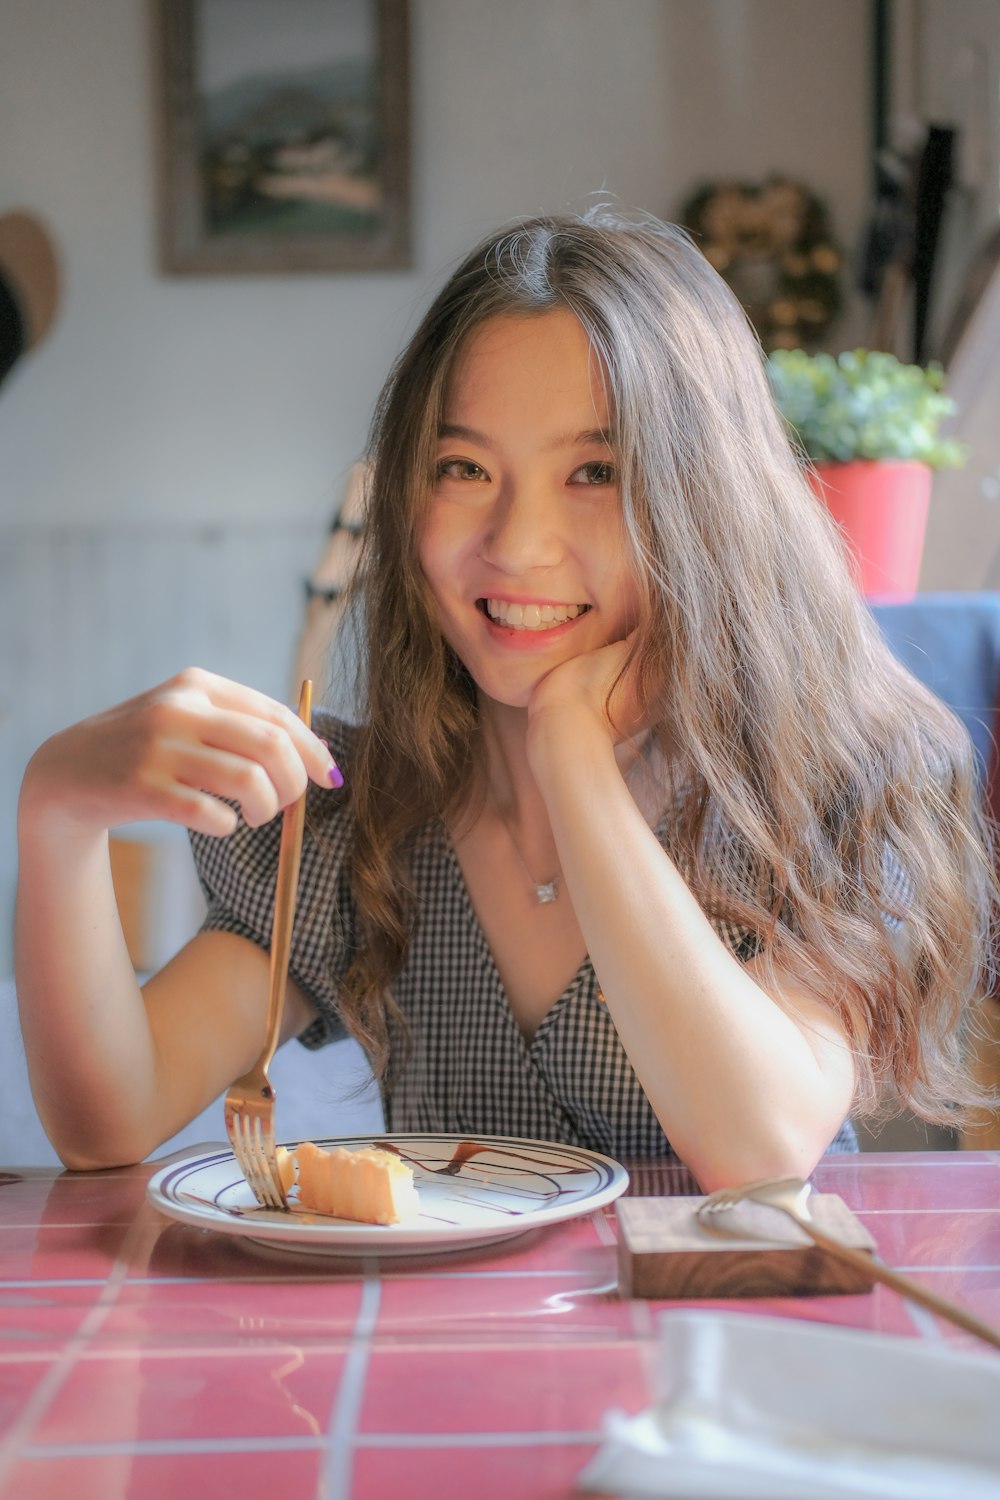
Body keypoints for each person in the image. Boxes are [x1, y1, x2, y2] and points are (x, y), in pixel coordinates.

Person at [15, 207, 997, 1190]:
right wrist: (57, 811)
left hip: (742, 1340)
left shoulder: (815, 793)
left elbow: (758, 1146)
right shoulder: (355, 825)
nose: (517, 543)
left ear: (707, 501)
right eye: (464, 468)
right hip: (450, 1348)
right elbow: (108, 1120)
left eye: (593, 472)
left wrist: (571, 755)